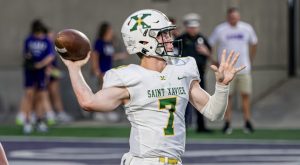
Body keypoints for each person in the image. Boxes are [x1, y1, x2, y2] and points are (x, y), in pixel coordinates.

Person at [60, 9, 245, 165]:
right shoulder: (129, 77)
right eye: (163, 34)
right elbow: (89, 102)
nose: (170, 38)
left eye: (169, 33)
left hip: (174, 161)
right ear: (143, 41)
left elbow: (214, 113)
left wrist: (222, 86)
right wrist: (74, 68)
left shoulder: (181, 69)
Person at [209, 7, 258, 134]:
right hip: (226, 70)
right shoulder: (220, 29)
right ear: (228, 17)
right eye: (231, 17)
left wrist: (250, 60)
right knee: (227, 97)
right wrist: (214, 61)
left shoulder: (247, 28)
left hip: (243, 69)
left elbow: (254, 43)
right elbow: (210, 44)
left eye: (236, 17)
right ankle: (227, 122)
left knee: (245, 95)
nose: (233, 19)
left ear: (239, 17)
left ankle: (247, 122)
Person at [176, 13, 216, 133]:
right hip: (183, 75)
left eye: (195, 27)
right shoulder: (181, 39)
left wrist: (206, 52)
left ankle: (201, 126)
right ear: (187, 27)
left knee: (200, 100)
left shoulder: (202, 39)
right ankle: (182, 127)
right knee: (182, 101)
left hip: (198, 75)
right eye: (191, 27)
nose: (193, 30)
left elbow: (210, 54)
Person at [19, 20, 55, 134]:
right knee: (29, 95)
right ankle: (28, 121)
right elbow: (26, 54)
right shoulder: (29, 40)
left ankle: (40, 120)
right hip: (30, 71)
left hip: (41, 72)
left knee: (40, 95)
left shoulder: (46, 40)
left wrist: (41, 64)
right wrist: (30, 60)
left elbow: (51, 56)